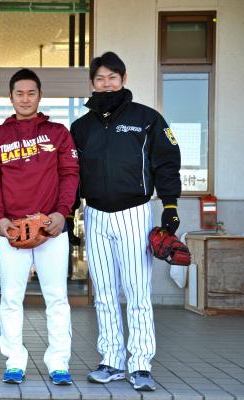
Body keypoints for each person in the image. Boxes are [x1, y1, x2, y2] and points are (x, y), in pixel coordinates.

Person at [70, 51, 181, 391]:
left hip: (134, 213)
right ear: (92, 83)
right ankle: (111, 360)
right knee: (103, 294)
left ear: (123, 79)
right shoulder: (81, 126)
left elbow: (166, 162)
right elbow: (71, 174)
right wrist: (71, 211)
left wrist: (170, 206)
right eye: (100, 78)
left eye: (112, 78)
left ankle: (141, 363)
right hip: (95, 215)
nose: (106, 84)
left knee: (137, 292)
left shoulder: (147, 119)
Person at [0, 69, 79, 385]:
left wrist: (63, 213)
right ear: (11, 98)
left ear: (39, 96)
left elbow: (70, 174)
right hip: (13, 230)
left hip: (51, 228)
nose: (25, 98)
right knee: (10, 298)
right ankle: (14, 361)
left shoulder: (59, 133)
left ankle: (59, 362)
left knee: (57, 298)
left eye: (31, 92)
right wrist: (0, 219)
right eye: (19, 93)